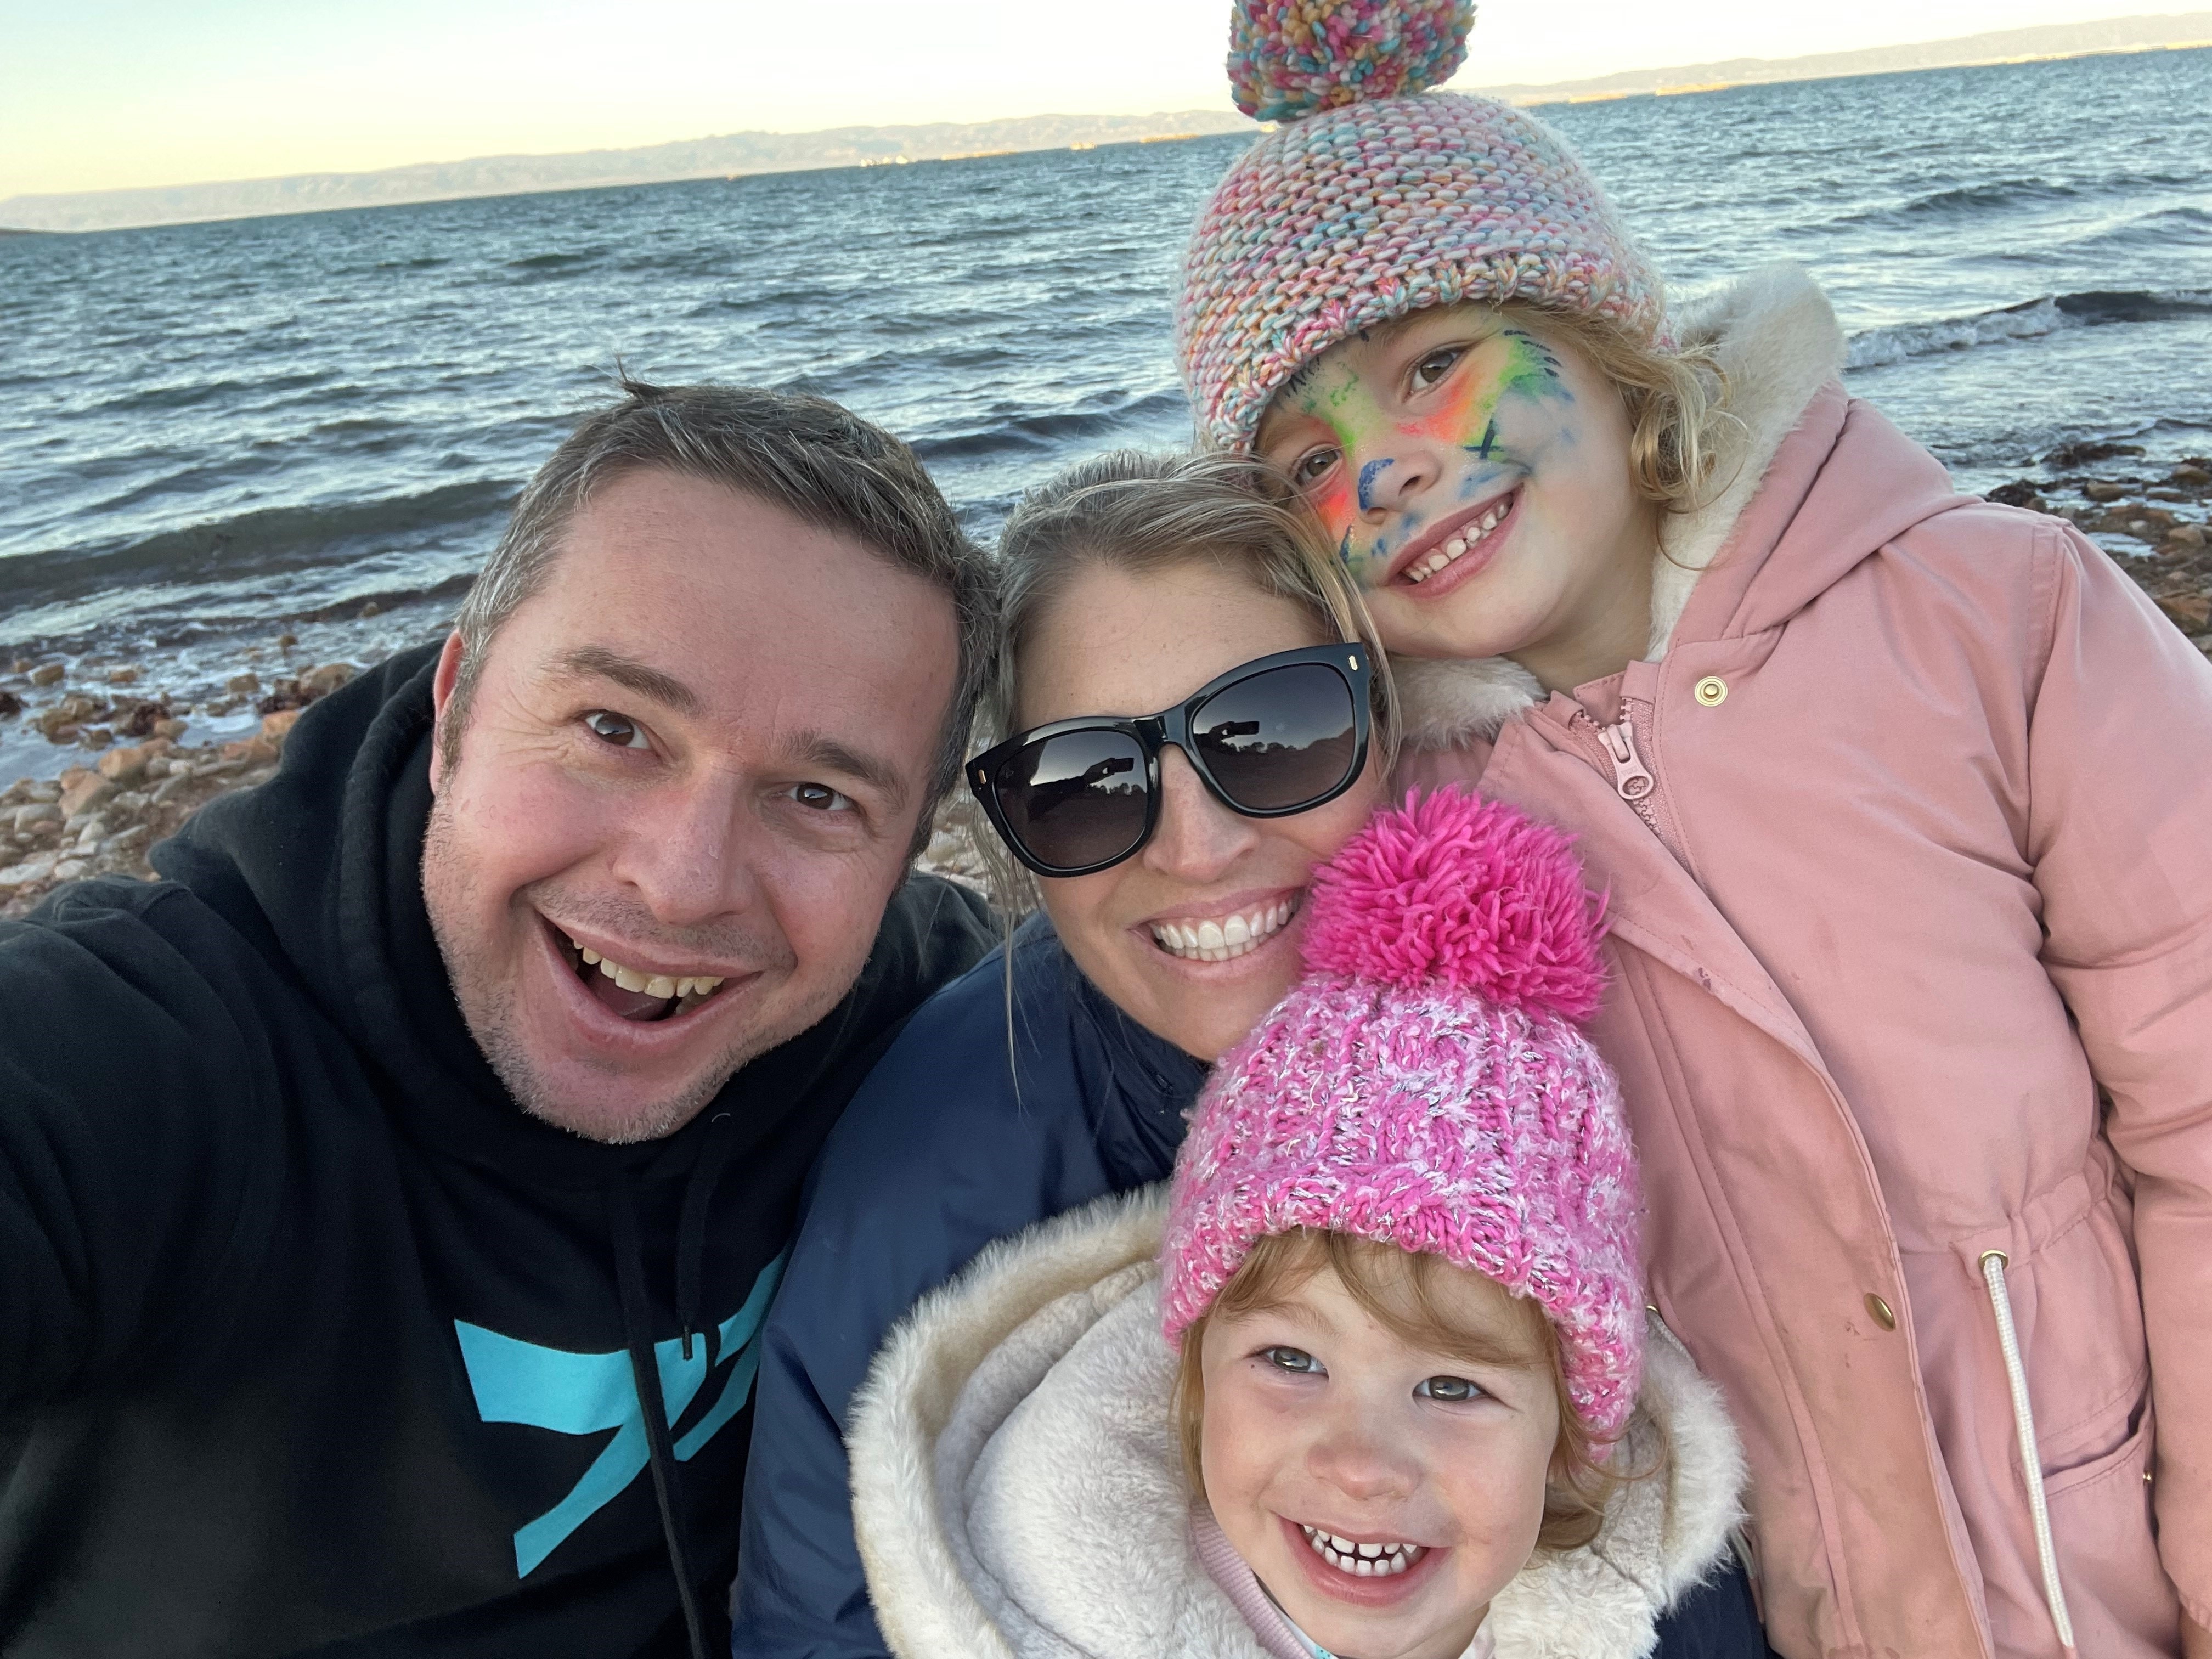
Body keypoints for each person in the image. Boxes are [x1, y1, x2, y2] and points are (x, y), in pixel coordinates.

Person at [1174, 3, 2212, 1655]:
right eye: (1311, 457)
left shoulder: (1997, 615)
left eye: (1436, 365)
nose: (1389, 476)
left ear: (1602, 339)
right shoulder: (1419, 842)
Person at [0, 380, 996, 1658]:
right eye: (614, 727)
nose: (682, 882)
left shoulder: (921, 1010)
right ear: (456, 708)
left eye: (816, 795)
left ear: (908, 847)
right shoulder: (157, 1059)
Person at [731, 450, 1769, 1656]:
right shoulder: (928, 1175)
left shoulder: (1574, 1049)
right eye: (1085, 781)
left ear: (1386, 721)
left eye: (1270, 732)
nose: (1201, 844)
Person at [845, 788, 1750, 1659]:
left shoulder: (1676, 1622)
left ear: (1566, 1448)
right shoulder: (1053, 1602)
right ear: (1195, 1383)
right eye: (1291, 1361)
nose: (1363, 1467)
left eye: (1451, 1388)